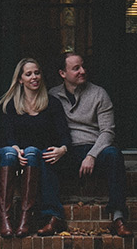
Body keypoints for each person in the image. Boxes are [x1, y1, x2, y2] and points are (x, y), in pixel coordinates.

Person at [47, 52, 131, 236]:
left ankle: (118, 216)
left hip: (95, 148)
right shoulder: (52, 95)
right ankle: (53, 215)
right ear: (63, 73)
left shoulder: (99, 94)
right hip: (67, 150)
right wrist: (60, 148)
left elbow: (108, 131)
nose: (82, 71)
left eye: (83, 66)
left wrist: (92, 155)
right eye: (76, 68)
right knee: (45, 158)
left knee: (114, 155)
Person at [0, 58, 70, 238]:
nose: (34, 77)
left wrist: (63, 149)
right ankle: (4, 218)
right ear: (20, 79)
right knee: (10, 154)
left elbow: (64, 135)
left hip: (35, 157)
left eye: (37, 73)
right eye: (28, 74)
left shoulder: (52, 103)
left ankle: (24, 219)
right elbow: (4, 137)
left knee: (33, 151)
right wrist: (15, 148)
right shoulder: (9, 104)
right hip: (10, 155)